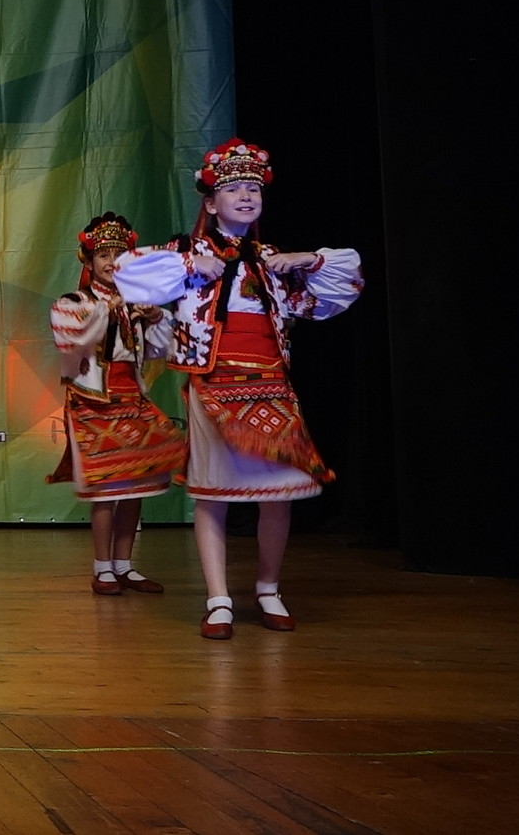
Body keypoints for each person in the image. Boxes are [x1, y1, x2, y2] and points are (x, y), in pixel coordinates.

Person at [114, 139, 362, 640]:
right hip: (215, 383)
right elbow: (126, 272)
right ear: (210, 203)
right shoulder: (186, 253)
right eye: (233, 189)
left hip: (271, 383)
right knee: (213, 494)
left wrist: (309, 261)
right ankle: (218, 598)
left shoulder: (273, 259)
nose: (246, 196)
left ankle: (268, 589)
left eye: (253, 188)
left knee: (280, 494)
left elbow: (331, 297)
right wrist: (191, 268)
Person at [47, 212, 186, 596]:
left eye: (119, 255)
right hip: (93, 403)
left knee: (137, 485)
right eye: (103, 255)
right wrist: (114, 307)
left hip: (131, 399)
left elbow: (160, 349)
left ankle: (125, 565)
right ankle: (102, 567)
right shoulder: (74, 303)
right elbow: (75, 339)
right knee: (107, 490)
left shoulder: (135, 303)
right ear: (89, 261)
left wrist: (155, 316)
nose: (111, 263)